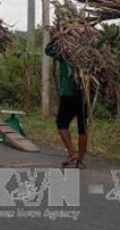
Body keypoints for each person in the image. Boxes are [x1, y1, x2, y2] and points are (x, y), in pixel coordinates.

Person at [45, 38, 88, 169]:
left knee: (61, 124)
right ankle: (79, 160)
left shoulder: (64, 54)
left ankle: (72, 153)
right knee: (83, 127)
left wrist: (57, 36)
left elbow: (48, 49)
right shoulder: (88, 55)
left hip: (68, 95)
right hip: (84, 96)